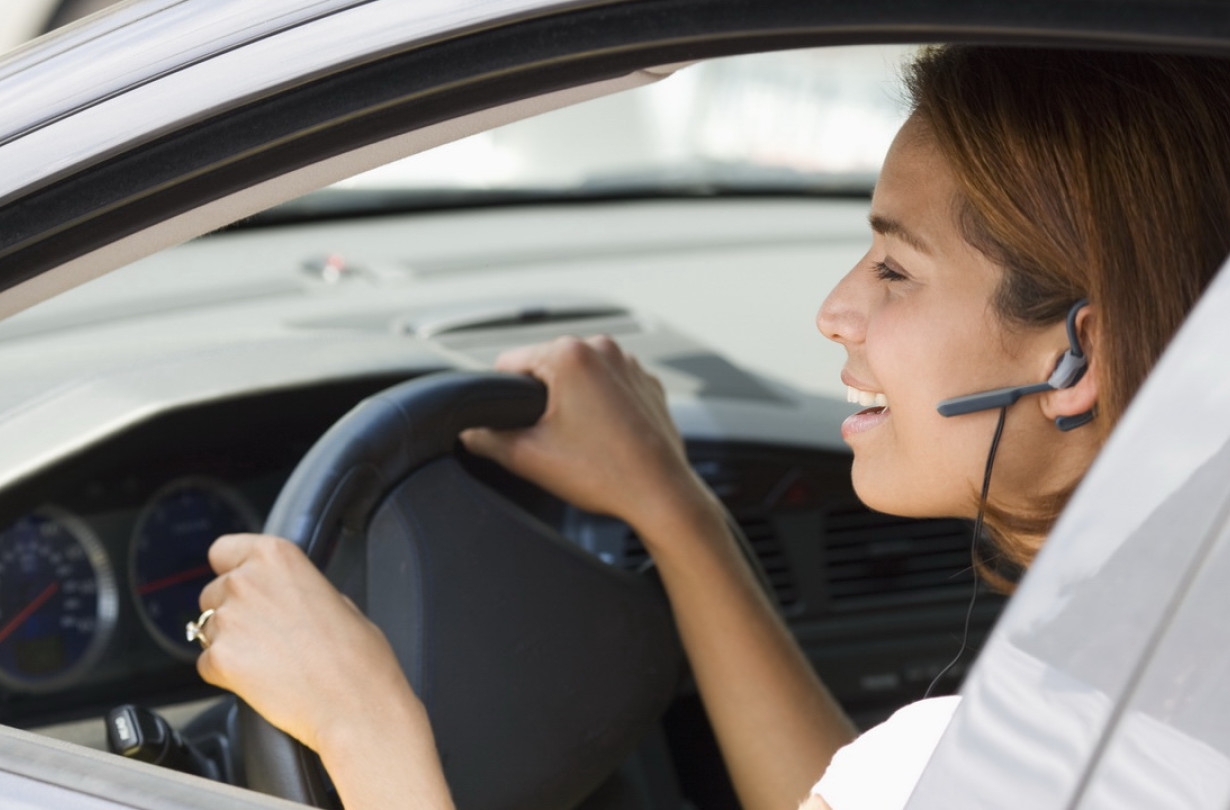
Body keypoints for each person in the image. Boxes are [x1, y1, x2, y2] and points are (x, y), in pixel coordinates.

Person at [190, 45, 1230, 810]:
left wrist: (365, 726)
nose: (836, 310)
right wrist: (675, 509)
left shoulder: (1024, 754)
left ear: (1074, 357)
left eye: (895, 269)